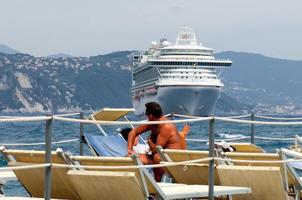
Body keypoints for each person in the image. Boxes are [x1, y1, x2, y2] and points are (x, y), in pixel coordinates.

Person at [127, 102, 189, 182]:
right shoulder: (152, 123)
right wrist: (130, 149)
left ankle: (160, 183)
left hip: (171, 159)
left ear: (151, 115)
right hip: (159, 155)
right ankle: (141, 184)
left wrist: (149, 141)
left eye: (146, 114)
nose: (146, 116)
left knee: (157, 157)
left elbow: (155, 149)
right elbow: (133, 132)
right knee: (129, 158)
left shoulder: (166, 127)